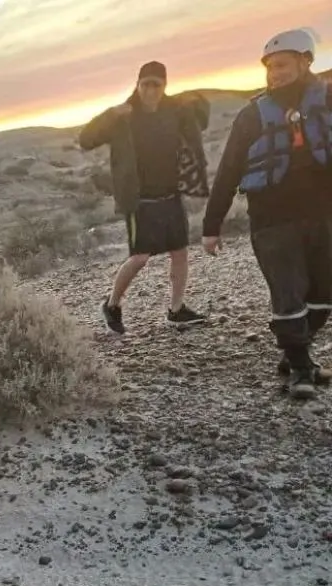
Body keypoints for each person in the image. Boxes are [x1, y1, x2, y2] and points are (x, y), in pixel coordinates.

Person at [202, 28, 332, 400]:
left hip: (324, 213)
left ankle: (295, 355)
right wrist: (212, 226)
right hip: (273, 220)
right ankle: (302, 369)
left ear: (306, 61)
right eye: (271, 67)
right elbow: (228, 170)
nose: (275, 73)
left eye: (283, 64)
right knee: (288, 294)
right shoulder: (252, 115)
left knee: (324, 296)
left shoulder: (328, 99)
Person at [80, 60, 211, 333]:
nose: (151, 90)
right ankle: (112, 304)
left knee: (180, 252)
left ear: (165, 86)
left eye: (157, 85)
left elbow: (202, 122)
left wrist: (196, 101)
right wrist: (110, 114)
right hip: (140, 200)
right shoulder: (123, 116)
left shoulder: (175, 111)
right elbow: (85, 139)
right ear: (137, 84)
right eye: (146, 84)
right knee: (140, 257)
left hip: (171, 194)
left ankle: (176, 310)